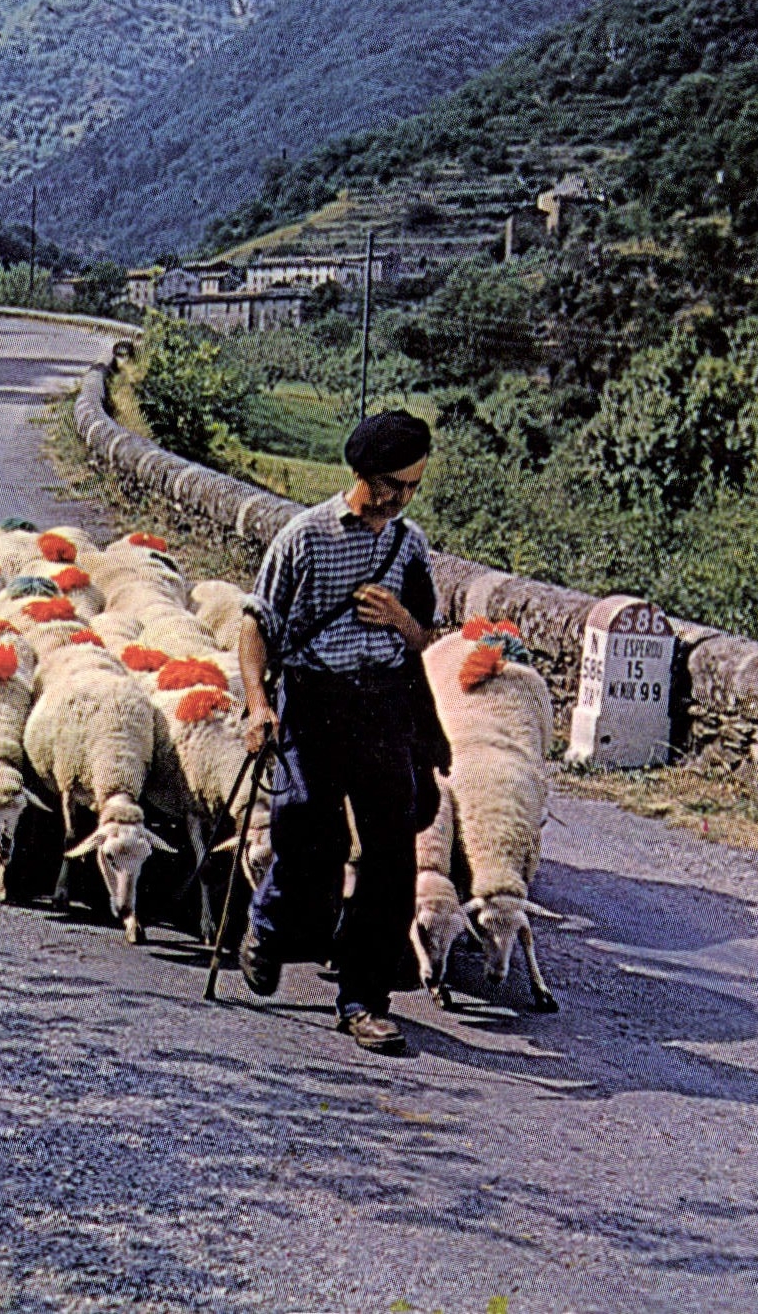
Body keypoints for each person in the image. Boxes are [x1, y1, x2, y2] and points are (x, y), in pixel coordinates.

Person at [237, 408, 440, 1056]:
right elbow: (255, 626)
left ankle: (362, 999)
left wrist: (399, 618)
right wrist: (255, 705)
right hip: (314, 700)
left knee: (389, 856)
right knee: (306, 837)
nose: (397, 499)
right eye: (389, 484)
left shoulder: (409, 545)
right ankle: (267, 925)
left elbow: (424, 638)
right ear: (360, 473)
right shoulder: (302, 538)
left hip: (380, 705)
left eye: (410, 487)